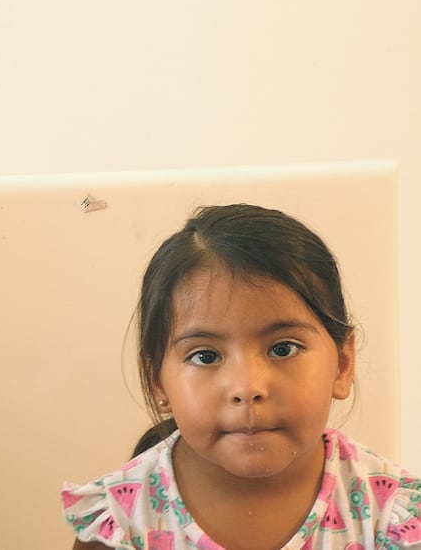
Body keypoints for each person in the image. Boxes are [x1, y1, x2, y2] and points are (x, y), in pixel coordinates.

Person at [62, 204, 421, 549]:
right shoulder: (118, 527)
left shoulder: (393, 518)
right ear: (158, 381)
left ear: (342, 365)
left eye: (284, 348)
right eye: (205, 356)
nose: (247, 387)